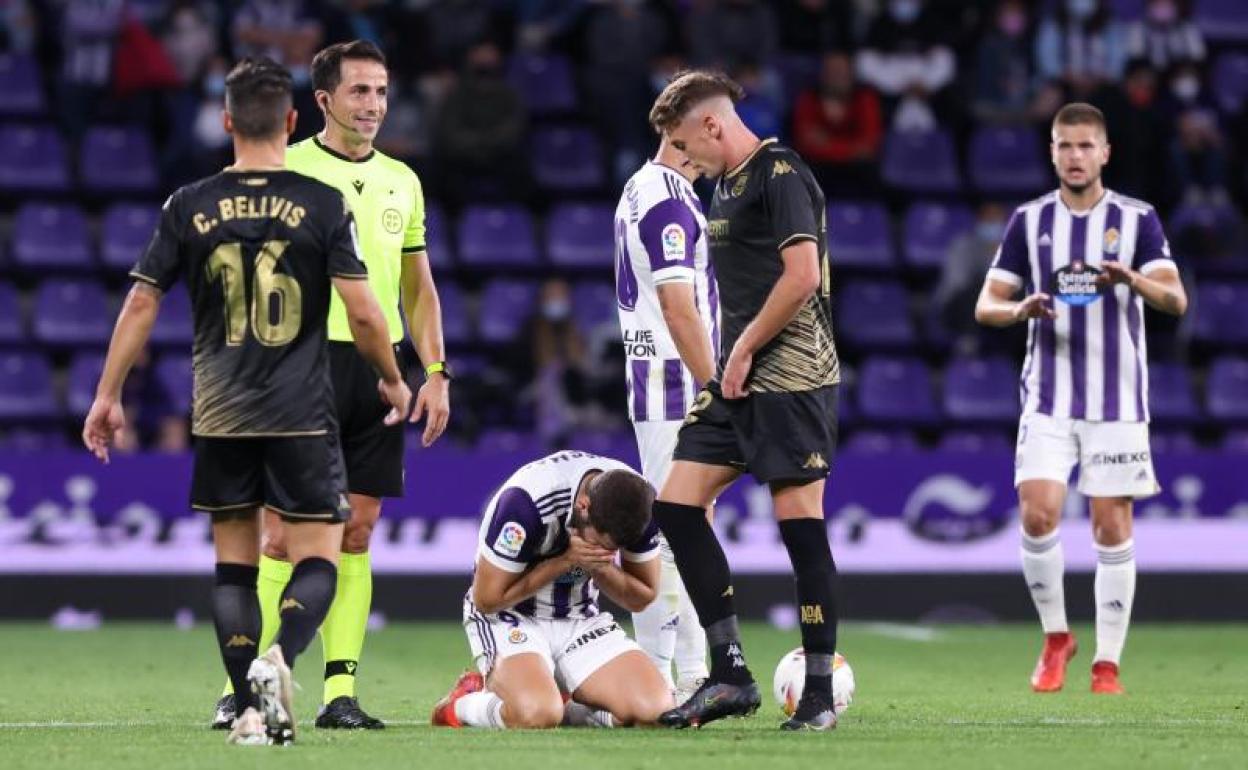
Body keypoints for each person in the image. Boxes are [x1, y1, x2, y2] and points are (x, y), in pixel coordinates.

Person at [82, 57, 411, 745]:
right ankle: (279, 658)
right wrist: (390, 375)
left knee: (236, 567)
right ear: (291, 121)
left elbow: (141, 301)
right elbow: (365, 312)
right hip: (302, 411)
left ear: (227, 121)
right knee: (318, 558)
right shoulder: (323, 203)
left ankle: (246, 706)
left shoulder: (189, 204)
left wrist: (108, 395)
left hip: (222, 411)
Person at [211, 39, 450, 732]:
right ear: (322, 100)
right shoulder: (285, 169)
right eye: (359, 91)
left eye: (381, 91)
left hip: (378, 371)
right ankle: (244, 683)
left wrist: (435, 371)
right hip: (297, 366)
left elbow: (417, 286)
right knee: (279, 539)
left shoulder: (403, 180)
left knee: (358, 532)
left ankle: (338, 693)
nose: (374, 104)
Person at [647, 71, 842, 731]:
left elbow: (802, 276)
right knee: (676, 506)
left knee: (800, 528)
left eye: (683, 143)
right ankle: (730, 673)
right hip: (740, 379)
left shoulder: (780, 172)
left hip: (792, 378)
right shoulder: (725, 185)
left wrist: (743, 347)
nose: (684, 158)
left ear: (712, 124)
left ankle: (818, 696)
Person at [974, 102, 1188, 696]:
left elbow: (1176, 300)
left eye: (1085, 146)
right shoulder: (1030, 220)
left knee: (1111, 526)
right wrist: (1018, 310)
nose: (1075, 156)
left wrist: (1131, 279)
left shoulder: (1136, 219)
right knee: (1037, 513)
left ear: (1104, 153)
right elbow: (986, 305)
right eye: (1065, 145)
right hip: (1048, 396)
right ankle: (1056, 638)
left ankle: (1106, 665)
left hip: (1116, 402)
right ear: (1052, 153)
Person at [430, 450, 674, 729]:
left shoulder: (638, 505)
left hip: (579, 618)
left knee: (655, 711)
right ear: (583, 506)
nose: (603, 552)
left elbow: (641, 597)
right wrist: (565, 561)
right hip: (511, 616)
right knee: (536, 714)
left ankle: (563, 704)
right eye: (598, 544)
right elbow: (486, 599)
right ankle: (462, 704)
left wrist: (601, 566)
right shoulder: (525, 502)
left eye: (611, 550)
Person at [614, 134, 717, 703]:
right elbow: (679, 307)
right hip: (677, 383)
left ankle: (694, 670)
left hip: (656, 381)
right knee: (674, 527)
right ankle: (663, 675)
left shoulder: (640, 186)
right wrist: (715, 387)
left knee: (687, 524)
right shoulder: (669, 200)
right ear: (685, 134)